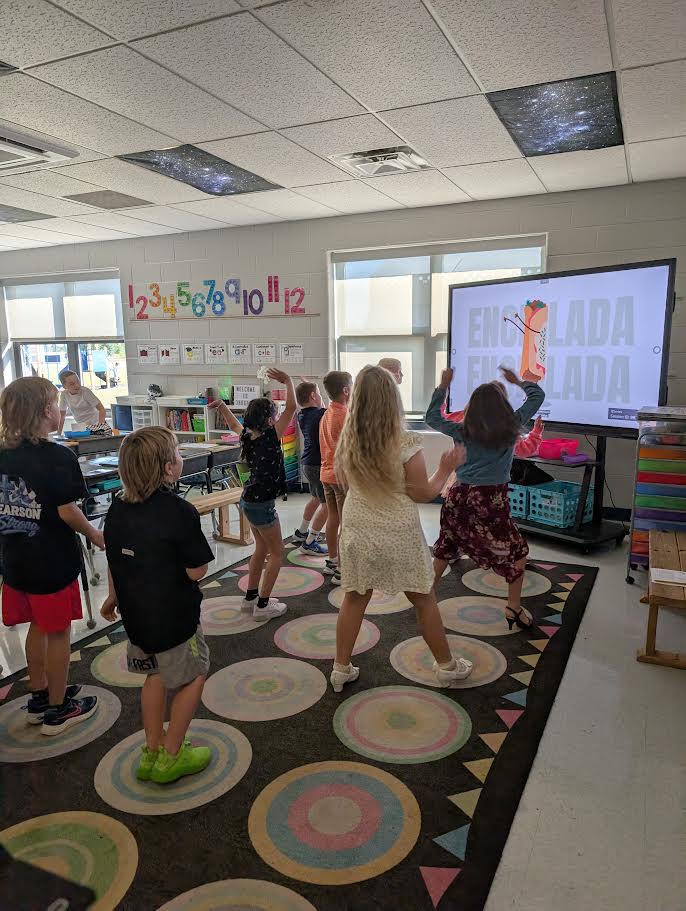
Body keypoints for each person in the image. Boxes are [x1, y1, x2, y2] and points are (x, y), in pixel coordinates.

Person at [330, 365, 472, 692]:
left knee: (354, 598)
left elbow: (349, 484)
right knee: (424, 598)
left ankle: (340, 669)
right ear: (393, 400)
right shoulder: (405, 440)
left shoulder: (349, 441)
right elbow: (422, 492)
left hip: (357, 525)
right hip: (398, 531)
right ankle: (447, 667)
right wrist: (446, 468)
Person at [101, 426, 214, 784]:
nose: (181, 458)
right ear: (169, 468)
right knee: (194, 675)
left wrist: (113, 596)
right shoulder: (179, 511)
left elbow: (116, 560)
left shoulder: (116, 507)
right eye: (178, 453)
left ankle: (151, 751)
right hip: (175, 618)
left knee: (154, 676)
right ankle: (173, 754)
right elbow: (196, 571)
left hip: (136, 617)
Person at [0, 377, 103, 734]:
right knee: (59, 633)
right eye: (57, 405)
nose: (61, 410)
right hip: (51, 561)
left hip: (15, 559)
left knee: (37, 627)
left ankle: (39, 695)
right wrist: (94, 533)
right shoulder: (58, 456)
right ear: (46, 413)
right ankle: (59, 708)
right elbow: (67, 510)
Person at [426, 366, 545, 631]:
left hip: (459, 496)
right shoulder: (511, 426)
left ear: (473, 408)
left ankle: (427, 598)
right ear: (502, 407)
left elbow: (431, 417)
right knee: (517, 551)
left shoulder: (462, 431)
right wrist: (519, 382)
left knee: (445, 546)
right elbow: (537, 398)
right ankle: (513, 606)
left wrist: (443, 386)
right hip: (491, 500)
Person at [209, 368, 295, 621]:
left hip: (248, 500)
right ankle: (263, 605)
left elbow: (234, 423)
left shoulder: (248, 436)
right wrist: (288, 381)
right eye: (275, 415)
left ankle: (250, 599)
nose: (279, 416)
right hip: (261, 504)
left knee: (261, 549)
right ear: (269, 421)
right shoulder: (270, 436)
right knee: (278, 553)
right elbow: (292, 408)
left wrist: (222, 406)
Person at [319, 371, 352, 586]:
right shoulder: (344, 415)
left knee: (333, 519)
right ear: (346, 390)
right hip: (341, 477)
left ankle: (332, 561)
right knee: (347, 523)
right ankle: (342, 570)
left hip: (326, 473)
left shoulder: (328, 412)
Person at [293, 381, 328, 555]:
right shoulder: (321, 414)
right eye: (319, 393)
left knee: (315, 498)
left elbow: (320, 407)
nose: (322, 396)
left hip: (307, 463)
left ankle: (302, 531)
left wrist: (310, 389)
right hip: (317, 464)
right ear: (313, 396)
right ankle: (310, 541)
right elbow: (329, 409)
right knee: (328, 505)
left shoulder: (302, 414)